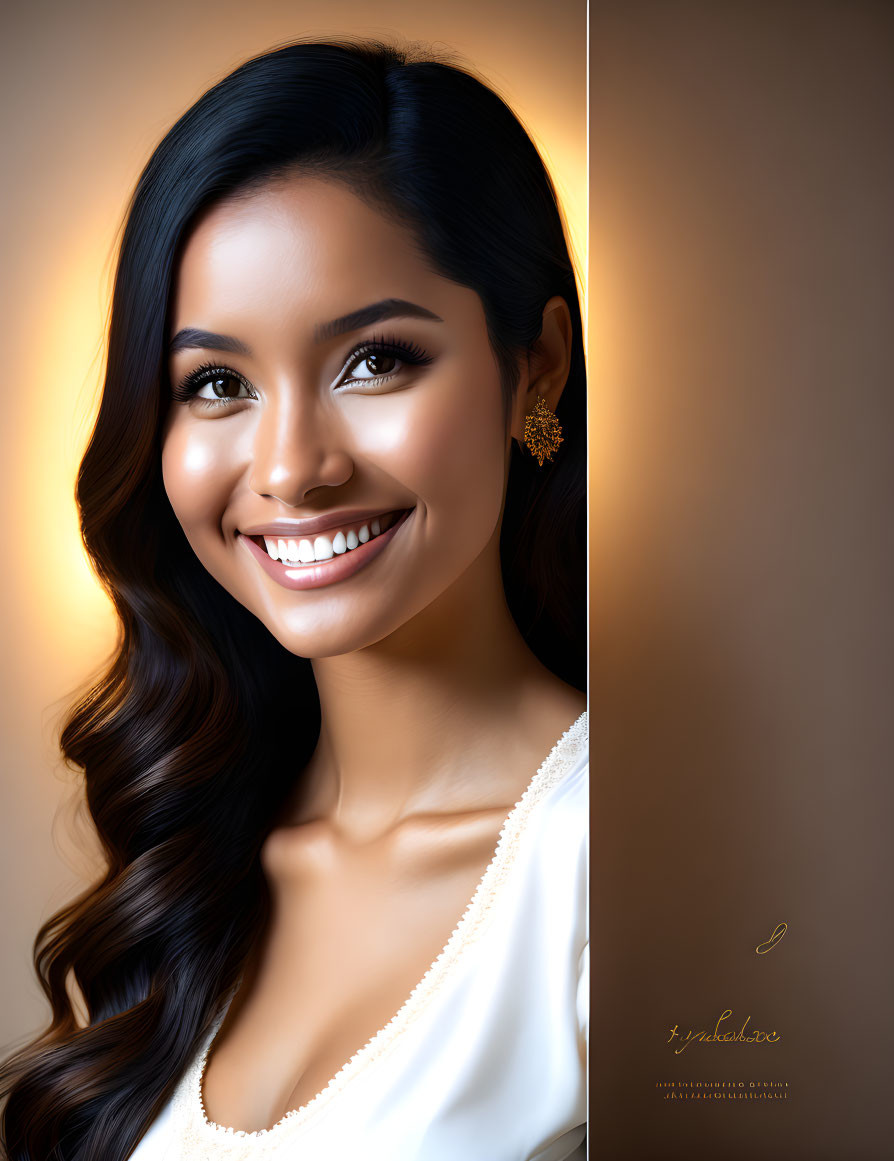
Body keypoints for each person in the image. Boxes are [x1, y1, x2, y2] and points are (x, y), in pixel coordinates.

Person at [0, 37, 588, 1161]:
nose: (289, 468)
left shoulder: (616, 873)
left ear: (538, 367)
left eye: (373, 360)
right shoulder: (198, 858)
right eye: (216, 384)